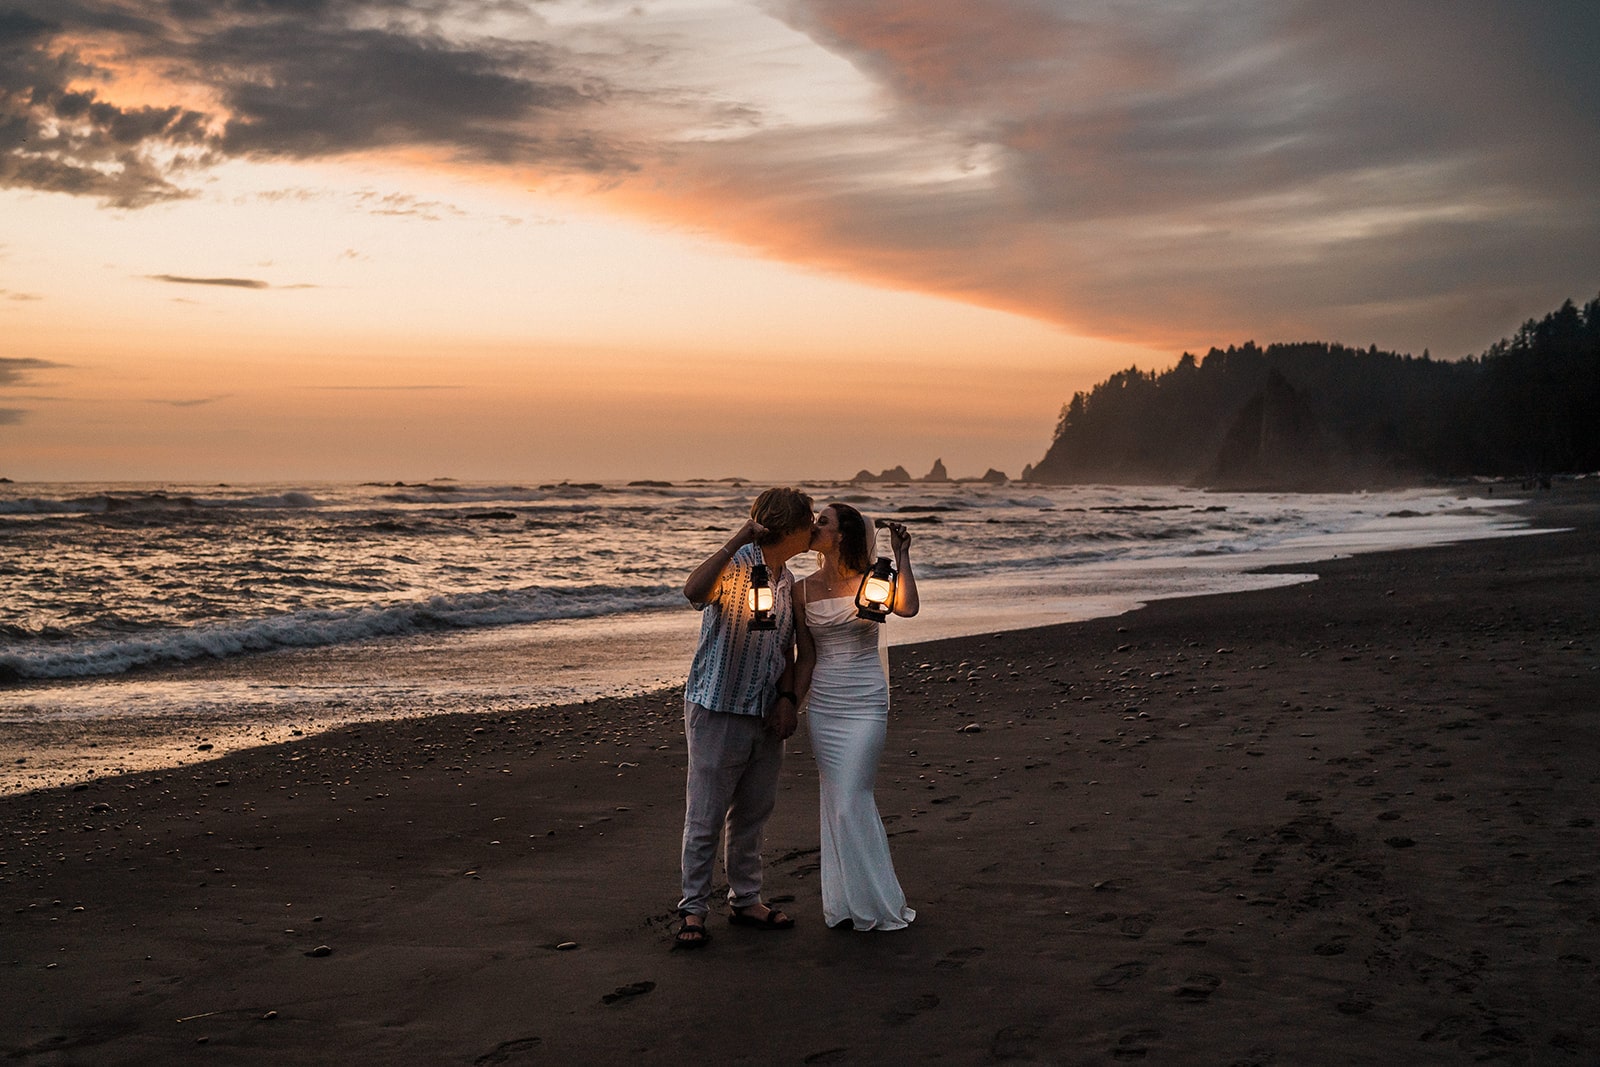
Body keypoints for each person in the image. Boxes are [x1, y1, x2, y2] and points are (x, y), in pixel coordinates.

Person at [674, 486, 815, 949]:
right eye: (807, 522)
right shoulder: (738, 564)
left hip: (764, 711)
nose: (812, 528)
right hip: (718, 707)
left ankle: (746, 898)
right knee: (707, 815)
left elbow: (787, 649)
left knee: (754, 812)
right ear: (788, 529)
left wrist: (788, 699)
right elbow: (693, 592)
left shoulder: (786, 578)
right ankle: (693, 910)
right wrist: (736, 539)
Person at [793, 503, 920, 930]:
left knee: (851, 800)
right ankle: (848, 902)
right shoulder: (801, 589)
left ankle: (878, 903)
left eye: (823, 522)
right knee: (835, 801)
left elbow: (907, 609)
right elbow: (806, 656)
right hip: (825, 705)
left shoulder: (874, 579)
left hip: (865, 699)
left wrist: (901, 556)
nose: (815, 527)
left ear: (842, 534)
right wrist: (790, 705)